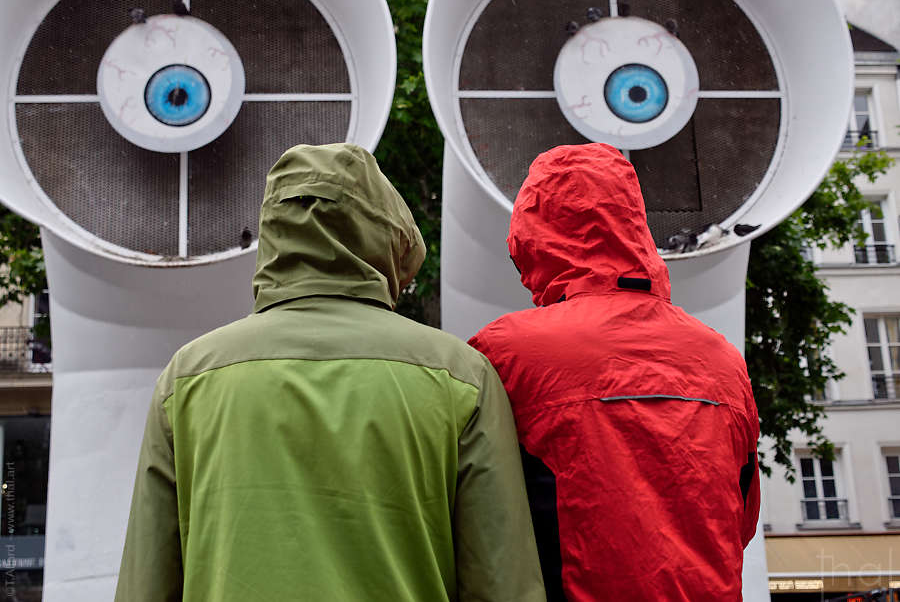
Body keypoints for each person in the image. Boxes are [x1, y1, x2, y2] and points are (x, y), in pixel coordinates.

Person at [115, 143, 545, 602]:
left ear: (273, 233)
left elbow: (148, 579)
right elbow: (502, 582)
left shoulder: (188, 378)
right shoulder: (460, 375)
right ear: (386, 234)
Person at [468, 143, 760, 601]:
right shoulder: (722, 359)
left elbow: (476, 514)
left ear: (531, 235)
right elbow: (739, 518)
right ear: (634, 224)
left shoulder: (505, 351)